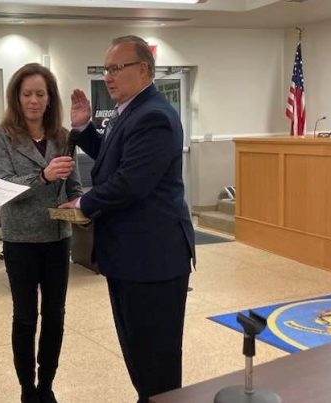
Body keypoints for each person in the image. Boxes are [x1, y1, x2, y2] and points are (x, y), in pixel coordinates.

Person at [59, 35, 196, 402]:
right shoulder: (128, 112)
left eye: (117, 68)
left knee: (157, 359)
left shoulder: (154, 116)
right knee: (138, 353)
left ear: (145, 70)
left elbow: (131, 182)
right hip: (128, 256)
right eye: (106, 69)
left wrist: (84, 203)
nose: (108, 76)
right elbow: (113, 159)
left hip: (153, 260)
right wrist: (84, 129)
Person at [0, 63, 82, 403]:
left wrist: (78, 203)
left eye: (40, 94)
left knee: (55, 315)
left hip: (57, 238)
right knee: (25, 316)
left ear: (49, 98)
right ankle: (27, 389)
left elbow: (74, 185)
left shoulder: (62, 136)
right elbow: (3, 186)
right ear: (16, 97)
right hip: (21, 241)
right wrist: (42, 177)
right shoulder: (1, 136)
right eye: (27, 94)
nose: (33, 101)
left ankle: (47, 385)